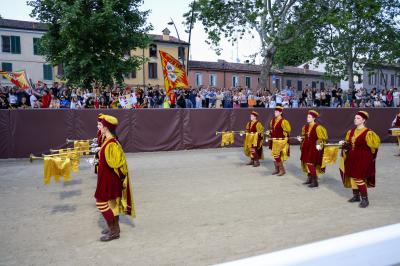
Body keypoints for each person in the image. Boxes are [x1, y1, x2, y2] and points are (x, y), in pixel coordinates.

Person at [95, 115, 135, 241]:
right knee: (112, 202)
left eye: (100, 125)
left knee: (100, 202)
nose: (98, 127)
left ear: (106, 128)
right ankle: (114, 227)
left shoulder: (111, 144)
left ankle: (114, 230)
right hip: (107, 177)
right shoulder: (108, 141)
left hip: (109, 179)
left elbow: (116, 163)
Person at [340, 111, 380, 208]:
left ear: (363, 120)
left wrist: (371, 158)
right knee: (352, 176)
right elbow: (348, 144)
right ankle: (356, 196)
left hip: (363, 158)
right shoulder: (351, 131)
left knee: (358, 177)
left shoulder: (369, 133)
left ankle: (365, 199)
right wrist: (344, 144)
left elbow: (375, 146)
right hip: (351, 157)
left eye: (358, 118)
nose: (355, 119)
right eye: (355, 118)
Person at [298, 110, 328, 188]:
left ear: (314, 118)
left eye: (309, 117)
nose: (307, 118)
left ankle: (315, 181)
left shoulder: (318, 127)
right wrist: (301, 139)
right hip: (306, 147)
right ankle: (309, 178)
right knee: (307, 162)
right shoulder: (305, 127)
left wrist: (318, 148)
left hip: (314, 148)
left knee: (310, 163)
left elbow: (321, 139)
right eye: (307, 117)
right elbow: (304, 136)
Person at [268, 106, 291, 176]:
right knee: (275, 155)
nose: (275, 113)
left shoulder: (284, 121)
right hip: (274, 140)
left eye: (276, 112)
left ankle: (282, 170)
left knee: (277, 155)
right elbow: (272, 129)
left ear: (280, 112)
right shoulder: (273, 120)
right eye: (275, 112)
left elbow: (287, 131)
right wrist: (269, 132)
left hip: (280, 141)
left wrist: (283, 138)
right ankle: (277, 169)